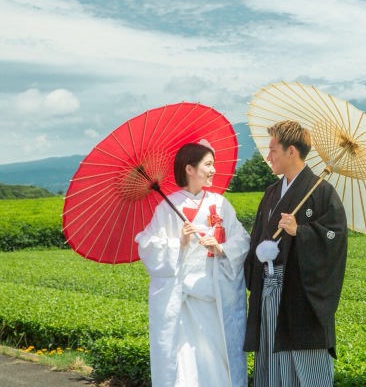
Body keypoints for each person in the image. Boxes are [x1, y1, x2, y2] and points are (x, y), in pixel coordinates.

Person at [135, 140, 250, 387]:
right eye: (208, 164)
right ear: (189, 169)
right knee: (185, 365)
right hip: (183, 303)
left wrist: (220, 248)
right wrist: (179, 242)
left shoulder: (220, 204)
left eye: (213, 164)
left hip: (215, 298)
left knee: (218, 363)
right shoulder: (168, 207)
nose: (213, 170)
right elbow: (147, 246)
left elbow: (242, 240)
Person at [244, 120, 348, 386]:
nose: (269, 157)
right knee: (272, 363)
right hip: (269, 291)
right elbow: (256, 239)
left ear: (291, 151)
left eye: (273, 150)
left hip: (301, 296)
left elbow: (334, 240)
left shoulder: (322, 192)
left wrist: (300, 232)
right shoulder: (271, 193)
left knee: (307, 367)